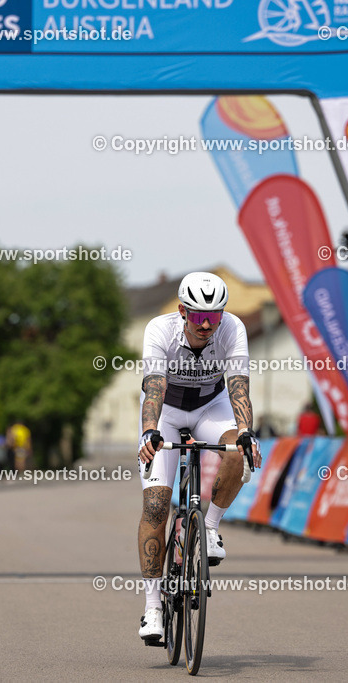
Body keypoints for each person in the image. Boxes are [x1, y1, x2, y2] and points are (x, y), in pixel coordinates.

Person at [135, 271, 261, 643]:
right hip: (168, 414)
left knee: (239, 448)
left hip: (211, 407)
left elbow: (239, 385)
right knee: (156, 506)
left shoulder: (233, 328)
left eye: (214, 316)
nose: (206, 325)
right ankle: (153, 606)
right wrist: (149, 430)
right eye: (197, 316)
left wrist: (246, 430)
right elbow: (154, 386)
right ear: (181, 312)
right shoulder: (159, 330)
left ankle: (209, 527)